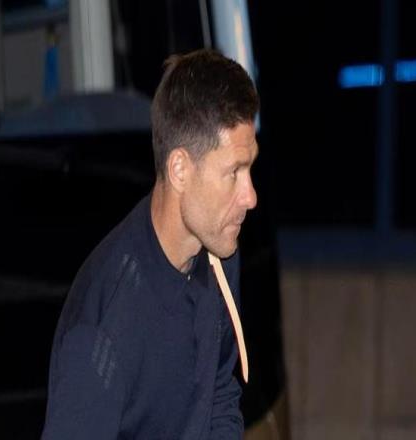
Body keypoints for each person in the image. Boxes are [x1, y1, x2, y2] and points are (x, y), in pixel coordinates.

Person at [41, 48, 259, 439]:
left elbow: (220, 395)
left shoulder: (218, 250)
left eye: (250, 168)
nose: (250, 196)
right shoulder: (104, 328)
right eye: (233, 172)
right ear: (179, 169)